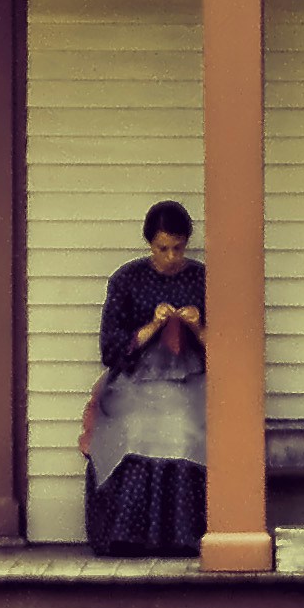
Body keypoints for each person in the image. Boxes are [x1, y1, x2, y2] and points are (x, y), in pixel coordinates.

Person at [84, 200, 209, 556]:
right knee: (135, 427)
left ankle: (182, 536)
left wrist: (197, 326)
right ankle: (129, 537)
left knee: (186, 425)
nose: (171, 257)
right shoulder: (127, 279)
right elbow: (110, 348)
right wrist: (153, 326)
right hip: (136, 379)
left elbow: (225, 349)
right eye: (162, 249)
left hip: (190, 377)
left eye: (178, 248)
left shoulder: (202, 278)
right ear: (149, 244)